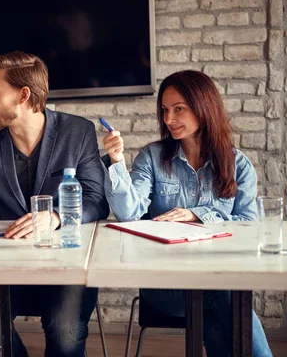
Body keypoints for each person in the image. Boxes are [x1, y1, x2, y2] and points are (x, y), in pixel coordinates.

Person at [0, 51, 109, 356]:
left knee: (64, 333)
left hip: (64, 261)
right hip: (6, 263)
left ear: (23, 95)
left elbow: (97, 200)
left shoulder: (77, 132)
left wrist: (56, 216)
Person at [101, 70, 272, 356]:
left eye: (179, 109)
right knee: (224, 294)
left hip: (216, 278)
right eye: (165, 110)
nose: (168, 120)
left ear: (204, 108)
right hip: (165, 286)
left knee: (217, 309)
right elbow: (130, 214)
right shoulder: (152, 157)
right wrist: (117, 160)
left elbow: (249, 225)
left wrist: (198, 214)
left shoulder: (237, 164)